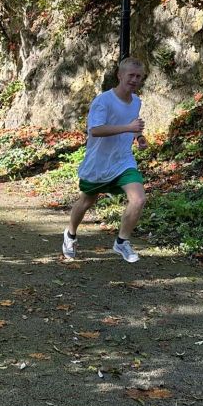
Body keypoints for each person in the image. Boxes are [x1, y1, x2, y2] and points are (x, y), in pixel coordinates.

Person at [62, 56, 148, 264]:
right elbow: (96, 130)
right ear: (119, 76)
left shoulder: (136, 101)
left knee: (138, 199)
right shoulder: (103, 101)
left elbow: (131, 125)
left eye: (139, 76)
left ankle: (121, 242)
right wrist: (129, 128)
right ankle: (70, 235)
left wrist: (139, 137)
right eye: (131, 75)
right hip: (99, 162)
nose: (135, 80)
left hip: (123, 161)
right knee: (87, 201)